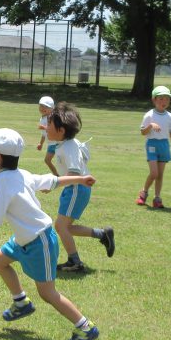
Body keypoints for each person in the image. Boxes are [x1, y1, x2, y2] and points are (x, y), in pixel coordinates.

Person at [0, 128, 100, 340]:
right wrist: (80, 178)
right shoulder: (21, 174)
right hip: (23, 239)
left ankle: (85, 327)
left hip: (39, 241)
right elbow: (52, 181)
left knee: (48, 293)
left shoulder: (0, 184)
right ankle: (21, 302)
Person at [46, 102, 115, 272]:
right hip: (75, 188)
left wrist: (53, 185)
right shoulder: (66, 144)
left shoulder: (69, 147)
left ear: (61, 130)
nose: (46, 128)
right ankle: (102, 234)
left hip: (76, 189)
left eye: (49, 124)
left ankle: (75, 262)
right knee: (65, 227)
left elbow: (74, 172)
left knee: (61, 226)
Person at [137, 85, 171, 208]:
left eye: (167, 99)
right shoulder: (149, 115)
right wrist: (150, 125)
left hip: (164, 145)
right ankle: (144, 192)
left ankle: (157, 198)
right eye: (161, 99)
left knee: (160, 175)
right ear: (154, 100)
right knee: (154, 173)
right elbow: (143, 132)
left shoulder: (170, 116)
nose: (164, 102)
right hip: (152, 144)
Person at [35, 95, 58, 175]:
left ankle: (58, 175)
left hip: (56, 143)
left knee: (49, 160)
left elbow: (54, 130)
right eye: (41, 106)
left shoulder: (51, 118)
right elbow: (44, 134)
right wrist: (41, 143)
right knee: (47, 160)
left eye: (46, 107)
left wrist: (44, 127)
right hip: (51, 144)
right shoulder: (42, 118)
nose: (43, 108)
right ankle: (57, 175)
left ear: (52, 109)